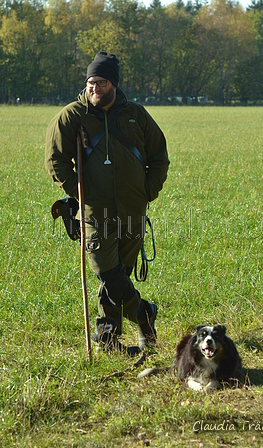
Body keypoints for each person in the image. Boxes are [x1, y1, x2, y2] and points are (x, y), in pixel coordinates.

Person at [45, 51, 169, 356]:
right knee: (107, 272)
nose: (94, 88)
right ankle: (143, 312)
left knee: (120, 274)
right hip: (93, 213)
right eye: (90, 82)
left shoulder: (136, 115)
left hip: (133, 211)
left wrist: (147, 191)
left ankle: (109, 339)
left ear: (113, 84)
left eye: (100, 82)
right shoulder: (72, 116)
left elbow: (158, 156)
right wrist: (78, 190)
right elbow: (55, 160)